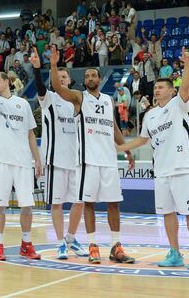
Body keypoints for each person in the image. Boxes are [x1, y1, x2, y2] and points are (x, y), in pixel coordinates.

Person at [117, 50, 189, 270]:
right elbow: (142, 140)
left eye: (162, 87)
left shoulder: (178, 104)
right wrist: (119, 147)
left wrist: (187, 65)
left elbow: (184, 88)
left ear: (171, 91)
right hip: (161, 170)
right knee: (167, 213)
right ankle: (174, 253)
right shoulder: (150, 115)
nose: (157, 89)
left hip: (181, 167)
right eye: (156, 87)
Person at [50, 59, 136, 265]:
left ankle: (116, 247)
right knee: (89, 203)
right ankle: (93, 245)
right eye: (87, 76)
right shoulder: (79, 98)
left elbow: (113, 127)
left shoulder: (108, 99)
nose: (90, 78)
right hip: (88, 161)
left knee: (114, 204)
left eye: (93, 75)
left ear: (99, 78)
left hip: (109, 161)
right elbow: (58, 88)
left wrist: (127, 151)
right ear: (84, 81)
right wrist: (53, 66)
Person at [0, 61, 43, 261]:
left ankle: (26, 244)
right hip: (1, 159)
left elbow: (31, 134)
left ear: (7, 82)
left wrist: (37, 159)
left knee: (27, 206)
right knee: (0, 206)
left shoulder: (23, 104)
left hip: (23, 161)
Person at [31, 47, 88, 259]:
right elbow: (39, 86)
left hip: (76, 161)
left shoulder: (78, 101)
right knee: (56, 203)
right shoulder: (50, 99)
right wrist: (39, 69)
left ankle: (71, 238)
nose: (62, 79)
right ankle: (60, 242)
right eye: (59, 77)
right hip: (55, 160)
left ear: (70, 81)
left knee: (79, 202)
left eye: (65, 77)